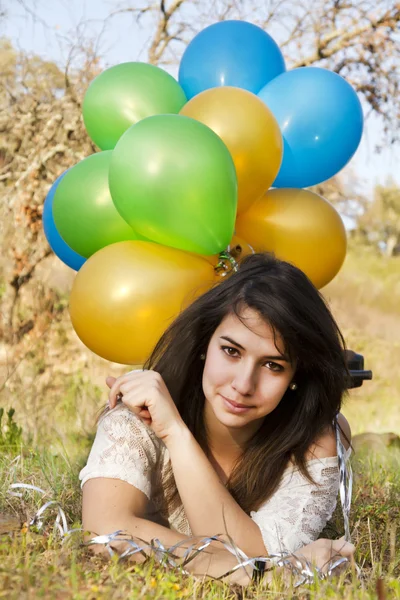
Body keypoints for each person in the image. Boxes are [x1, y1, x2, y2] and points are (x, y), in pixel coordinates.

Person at [80, 252, 354, 585]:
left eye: (273, 365)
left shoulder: (315, 440)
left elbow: (262, 551)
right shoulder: (143, 411)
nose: (243, 385)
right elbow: (104, 529)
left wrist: (178, 438)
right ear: (204, 344)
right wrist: (265, 576)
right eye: (231, 351)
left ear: (297, 375)